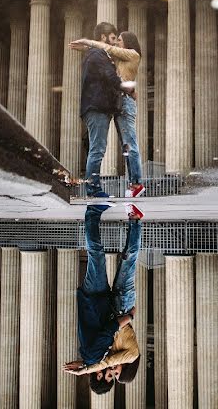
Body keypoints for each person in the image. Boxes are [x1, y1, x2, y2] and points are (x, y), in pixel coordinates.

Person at [62, 203, 143, 394]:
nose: (112, 372)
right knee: (127, 259)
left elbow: (106, 350)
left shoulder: (107, 357)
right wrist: (85, 368)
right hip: (116, 305)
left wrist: (85, 367)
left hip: (109, 306)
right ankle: (134, 219)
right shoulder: (129, 356)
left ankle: (99, 214)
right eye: (116, 375)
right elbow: (107, 360)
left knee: (105, 256)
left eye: (109, 375)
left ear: (99, 376)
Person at [71, 30, 146, 199]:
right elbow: (103, 55)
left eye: (119, 40)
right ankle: (132, 184)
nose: (116, 43)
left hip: (125, 102)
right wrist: (85, 48)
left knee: (129, 143)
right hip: (119, 102)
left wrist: (88, 41)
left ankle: (137, 183)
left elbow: (107, 50)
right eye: (115, 39)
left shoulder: (133, 54)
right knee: (125, 146)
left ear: (128, 42)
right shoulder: (120, 58)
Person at [80, 22, 126, 199]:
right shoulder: (98, 54)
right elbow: (111, 77)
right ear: (103, 38)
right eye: (113, 38)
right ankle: (93, 189)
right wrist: (127, 87)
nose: (114, 42)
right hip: (96, 107)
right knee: (97, 149)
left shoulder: (96, 54)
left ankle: (94, 187)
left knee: (97, 148)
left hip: (97, 107)